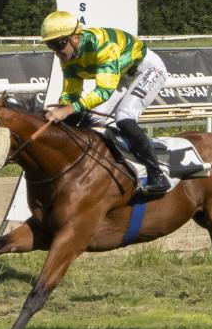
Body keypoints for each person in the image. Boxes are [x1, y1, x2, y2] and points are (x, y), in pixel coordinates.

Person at [40, 10, 172, 196]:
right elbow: (71, 93)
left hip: (147, 70)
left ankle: (157, 175)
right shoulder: (67, 56)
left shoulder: (101, 45)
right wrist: (63, 107)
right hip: (122, 74)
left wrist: (69, 109)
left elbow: (103, 91)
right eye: (49, 45)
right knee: (95, 120)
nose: (56, 51)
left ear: (75, 38)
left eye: (58, 43)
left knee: (124, 117)